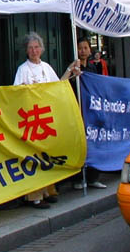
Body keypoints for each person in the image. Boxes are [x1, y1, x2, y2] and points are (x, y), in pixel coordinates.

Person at [13, 33, 80, 208]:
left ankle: (47, 190)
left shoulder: (46, 67)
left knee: (47, 155)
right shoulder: (23, 69)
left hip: (46, 117)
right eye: (30, 48)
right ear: (26, 51)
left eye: (36, 47)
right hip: (31, 118)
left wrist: (69, 70)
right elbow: (15, 92)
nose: (34, 51)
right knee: (34, 156)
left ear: (42, 49)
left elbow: (58, 86)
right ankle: (34, 197)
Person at [73, 38, 107, 190]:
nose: (83, 51)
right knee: (80, 145)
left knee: (94, 143)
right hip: (79, 109)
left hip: (92, 109)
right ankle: (79, 179)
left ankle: (93, 177)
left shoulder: (93, 67)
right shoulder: (74, 67)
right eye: (80, 48)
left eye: (85, 48)